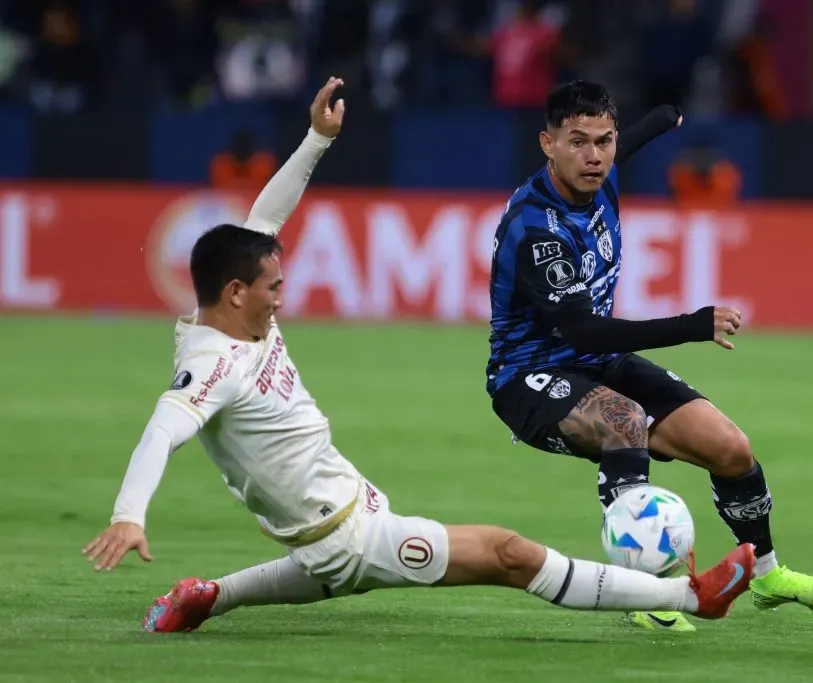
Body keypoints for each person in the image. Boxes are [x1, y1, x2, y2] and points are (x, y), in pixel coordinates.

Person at [81, 77, 756, 634]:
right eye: (273, 287)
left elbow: (264, 217)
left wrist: (318, 138)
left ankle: (208, 596)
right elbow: (166, 424)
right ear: (235, 292)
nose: (281, 297)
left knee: (323, 573)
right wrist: (128, 513)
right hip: (345, 531)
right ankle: (690, 598)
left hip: (344, 509)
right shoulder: (214, 362)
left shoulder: (233, 305)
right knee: (509, 555)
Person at [485, 80, 813, 634]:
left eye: (603, 140)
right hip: (531, 376)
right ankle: (641, 592)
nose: (595, 155)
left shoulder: (601, 173)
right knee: (623, 421)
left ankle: (767, 575)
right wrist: (692, 325)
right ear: (547, 144)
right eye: (577, 142)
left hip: (594, 366)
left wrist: (662, 118)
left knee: (731, 449)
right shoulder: (538, 230)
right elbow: (584, 331)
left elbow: (627, 144)